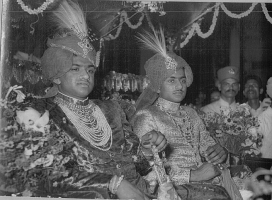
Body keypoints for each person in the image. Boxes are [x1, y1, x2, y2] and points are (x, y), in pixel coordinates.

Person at [16, 1, 168, 199]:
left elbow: (135, 160)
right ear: (56, 75)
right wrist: (114, 185)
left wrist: (147, 150)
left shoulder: (111, 108)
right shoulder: (40, 112)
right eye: (75, 69)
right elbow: (46, 175)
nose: (86, 76)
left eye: (90, 70)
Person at [131, 27, 230, 193]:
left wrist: (220, 152)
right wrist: (193, 176)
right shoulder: (146, 116)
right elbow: (144, 169)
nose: (179, 86)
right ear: (156, 86)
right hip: (170, 192)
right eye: (171, 81)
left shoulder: (191, 114)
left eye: (182, 81)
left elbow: (208, 147)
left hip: (205, 187)